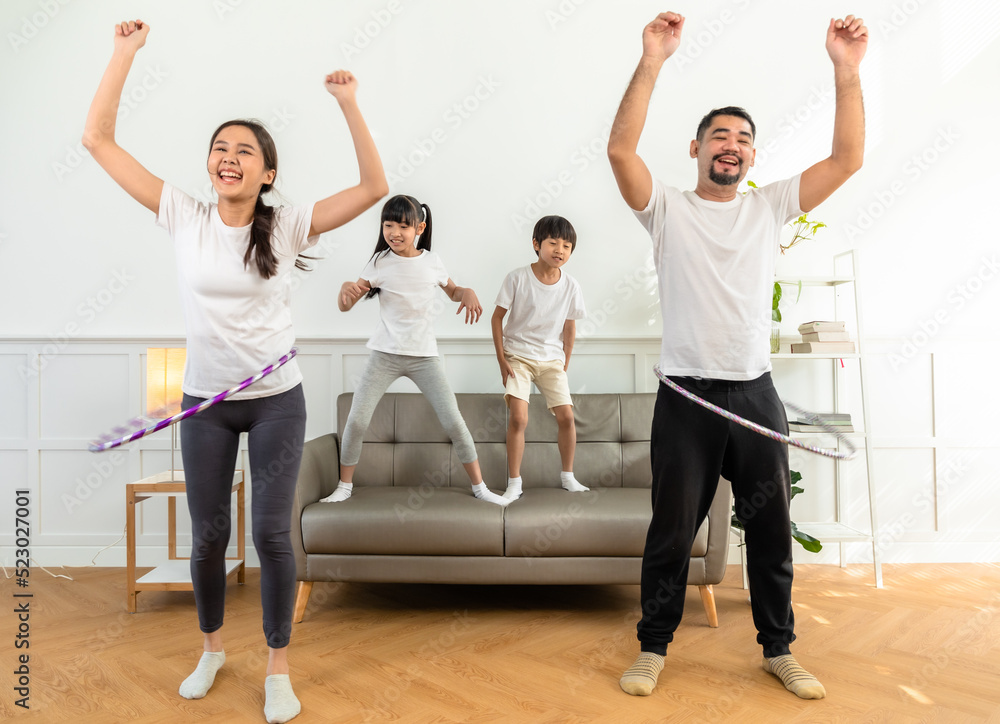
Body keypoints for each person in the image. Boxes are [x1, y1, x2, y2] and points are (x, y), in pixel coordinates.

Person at [83, 20, 388, 724]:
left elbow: (375, 185)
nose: (229, 157)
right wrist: (123, 53)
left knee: (272, 534)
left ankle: (279, 666)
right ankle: (213, 649)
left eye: (244, 151)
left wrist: (348, 102)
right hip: (206, 403)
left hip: (277, 400)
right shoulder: (183, 216)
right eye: (220, 148)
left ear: (266, 172)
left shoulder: (286, 226)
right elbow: (97, 141)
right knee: (209, 533)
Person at [607, 11, 866, 700]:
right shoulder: (665, 207)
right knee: (671, 531)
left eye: (744, 139)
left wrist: (846, 71)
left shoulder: (771, 206)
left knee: (772, 529)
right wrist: (652, 60)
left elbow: (847, 161)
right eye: (720, 135)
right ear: (696, 148)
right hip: (686, 398)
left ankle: (778, 647)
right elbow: (619, 154)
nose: (732, 146)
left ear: (753, 157)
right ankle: (653, 646)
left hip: (754, 393)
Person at [320, 194, 510, 507]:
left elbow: (453, 292)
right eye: (388, 224)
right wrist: (344, 290)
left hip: (424, 357)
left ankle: (480, 488)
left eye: (402, 226)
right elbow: (347, 304)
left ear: (419, 227)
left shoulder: (432, 262)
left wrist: (469, 292)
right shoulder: (379, 263)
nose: (394, 232)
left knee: (453, 422)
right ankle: (344, 485)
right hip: (385, 355)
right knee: (356, 421)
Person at [490, 216, 588, 501]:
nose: (560, 250)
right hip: (517, 356)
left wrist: (564, 362)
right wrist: (501, 360)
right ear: (536, 244)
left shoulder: (571, 286)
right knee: (519, 418)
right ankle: (514, 482)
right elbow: (497, 318)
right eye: (553, 243)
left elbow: (570, 326)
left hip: (551, 360)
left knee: (567, 417)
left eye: (567, 246)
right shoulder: (517, 277)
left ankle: (568, 476)